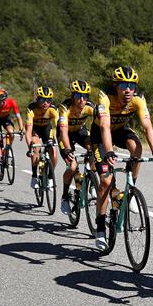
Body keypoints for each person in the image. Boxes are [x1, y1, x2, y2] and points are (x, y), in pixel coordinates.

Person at [90, 66, 153, 250]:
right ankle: (100, 227)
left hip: (120, 131)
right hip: (100, 135)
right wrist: (109, 151)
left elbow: (147, 126)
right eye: (123, 85)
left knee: (137, 148)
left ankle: (130, 189)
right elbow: (104, 126)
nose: (128, 90)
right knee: (106, 182)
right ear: (115, 86)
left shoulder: (138, 100)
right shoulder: (105, 98)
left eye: (132, 85)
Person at [57, 80, 95, 215]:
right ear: (73, 96)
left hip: (80, 131)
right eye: (78, 96)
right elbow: (63, 131)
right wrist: (68, 149)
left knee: (94, 149)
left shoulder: (90, 106)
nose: (82, 99)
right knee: (72, 167)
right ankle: (64, 197)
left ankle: (92, 182)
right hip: (65, 134)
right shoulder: (65, 107)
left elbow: (102, 123)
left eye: (85, 96)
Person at [24, 86, 60, 190]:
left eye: (48, 100)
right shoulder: (31, 109)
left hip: (46, 129)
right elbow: (28, 131)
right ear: (37, 99)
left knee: (53, 151)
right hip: (34, 130)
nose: (45, 103)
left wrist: (59, 140)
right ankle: (34, 176)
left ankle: (50, 177)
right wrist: (30, 147)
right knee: (36, 147)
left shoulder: (53, 109)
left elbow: (57, 127)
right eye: (42, 100)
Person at [0, 87, 24, 177]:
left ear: (5, 100)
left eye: (0, 101)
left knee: (11, 132)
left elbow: (18, 117)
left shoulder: (11, 102)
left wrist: (21, 129)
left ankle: (8, 148)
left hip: (5, 119)